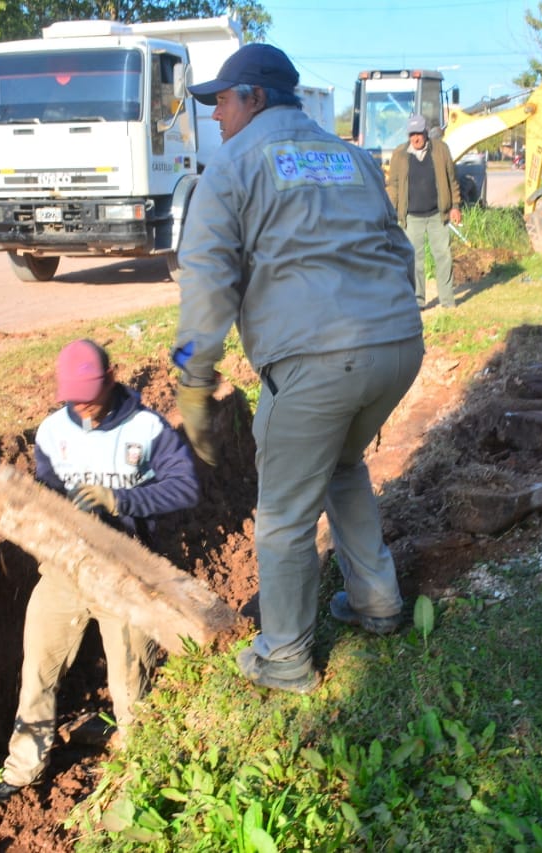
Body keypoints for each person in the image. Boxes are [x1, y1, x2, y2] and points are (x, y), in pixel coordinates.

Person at [170, 43, 424, 695]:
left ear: (255, 97)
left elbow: (206, 280)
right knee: (342, 465)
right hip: (398, 344)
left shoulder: (232, 167)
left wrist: (194, 378)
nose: (216, 115)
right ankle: (378, 602)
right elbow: (398, 251)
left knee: (283, 515)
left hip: (317, 360)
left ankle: (283, 656)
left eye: (222, 100)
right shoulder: (351, 157)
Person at [0, 338, 199, 804]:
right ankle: (23, 767)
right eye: (73, 399)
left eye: (89, 398)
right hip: (64, 571)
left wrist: (121, 500)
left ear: (111, 378)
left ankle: (141, 777)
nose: (82, 408)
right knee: (38, 671)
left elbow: (185, 488)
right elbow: (44, 496)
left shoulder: (146, 429)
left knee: (130, 688)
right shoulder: (53, 431)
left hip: (127, 577)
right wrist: (1, 509)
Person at [386, 113, 462, 310]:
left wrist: (455, 206)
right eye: (412, 134)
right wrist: (390, 211)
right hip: (411, 217)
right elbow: (393, 185)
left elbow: (452, 180)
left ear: (426, 132)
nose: (415, 138)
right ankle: (418, 301)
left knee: (443, 256)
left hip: (438, 214)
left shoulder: (441, 150)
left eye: (418, 133)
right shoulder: (400, 154)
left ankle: (447, 300)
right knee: (415, 261)